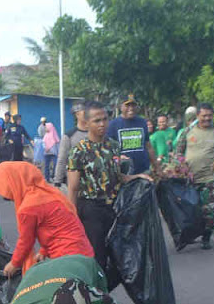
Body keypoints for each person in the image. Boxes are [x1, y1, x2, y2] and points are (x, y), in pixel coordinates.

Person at [67, 101, 153, 272]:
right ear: (86, 123)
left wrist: (137, 177)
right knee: (97, 258)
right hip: (91, 210)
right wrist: (72, 216)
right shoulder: (79, 151)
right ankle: (97, 295)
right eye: (96, 120)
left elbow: (117, 176)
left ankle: (104, 291)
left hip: (113, 208)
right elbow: (73, 187)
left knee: (119, 257)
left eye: (105, 119)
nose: (102, 124)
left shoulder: (113, 146)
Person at [0, 162, 93, 276]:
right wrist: (44, 250)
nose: (7, 195)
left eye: (7, 189)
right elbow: (55, 226)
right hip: (84, 253)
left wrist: (14, 264)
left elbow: (26, 241)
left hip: (65, 260)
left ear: (15, 183)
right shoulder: (49, 192)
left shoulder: (29, 207)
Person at [175, 103, 214, 250]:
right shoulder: (188, 131)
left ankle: (206, 238)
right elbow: (178, 151)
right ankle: (186, 237)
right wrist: (181, 164)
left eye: (209, 115)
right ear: (197, 116)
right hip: (190, 179)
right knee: (190, 212)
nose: (207, 118)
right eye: (204, 115)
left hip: (208, 179)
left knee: (209, 211)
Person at [106, 94, 159, 174]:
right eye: (127, 105)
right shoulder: (113, 125)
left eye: (133, 105)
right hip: (123, 173)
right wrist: (118, 157)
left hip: (143, 170)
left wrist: (157, 167)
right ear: (120, 107)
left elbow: (148, 146)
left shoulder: (142, 122)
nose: (131, 108)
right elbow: (107, 149)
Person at [54, 101, 88, 187]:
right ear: (77, 115)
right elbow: (62, 159)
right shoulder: (69, 136)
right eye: (84, 112)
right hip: (75, 182)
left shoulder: (95, 134)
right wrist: (57, 181)